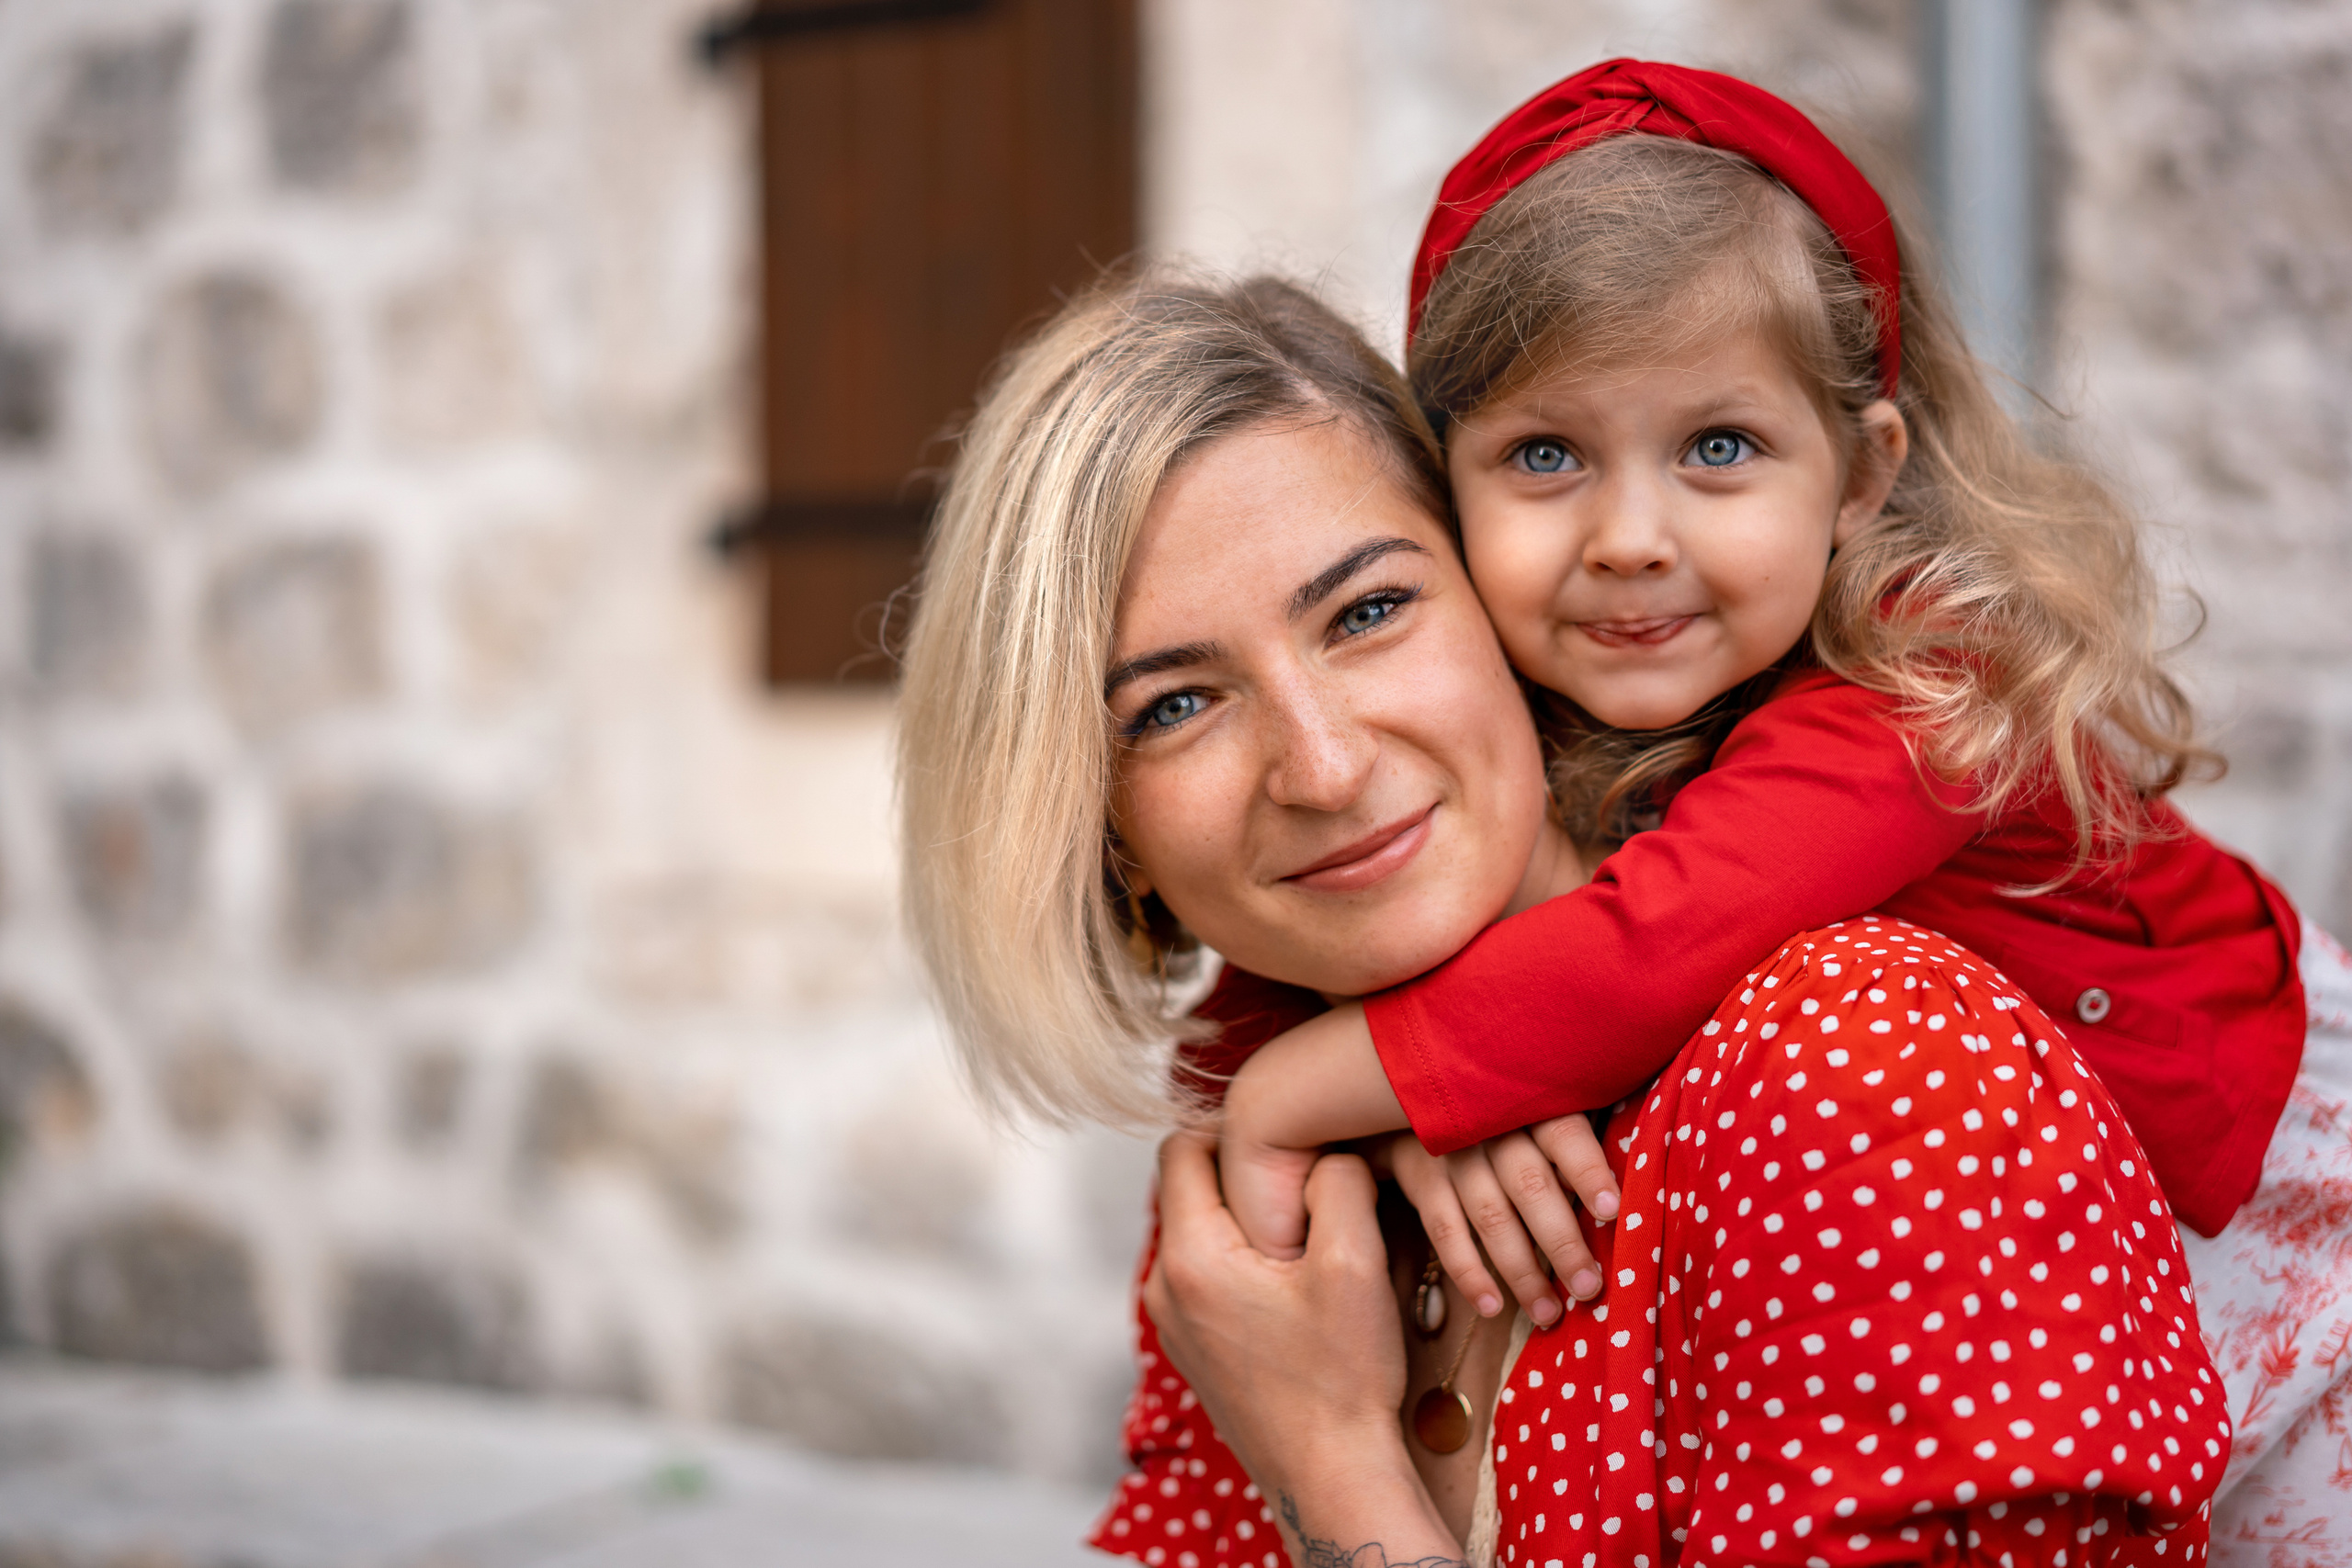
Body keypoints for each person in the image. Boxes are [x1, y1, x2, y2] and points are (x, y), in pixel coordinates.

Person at [894, 269, 2225, 1565]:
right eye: (1175, 706)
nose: (1326, 768)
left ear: (1499, 598)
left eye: (1368, 611)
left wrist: (1329, 1469)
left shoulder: (1851, 1059)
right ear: (1106, 830)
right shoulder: (1258, 1163)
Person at [1194, 63, 2352, 1546]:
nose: (1628, 539)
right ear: (1446, 491)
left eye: (1719, 449)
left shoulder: (1930, 687)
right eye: (1545, 455)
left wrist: (1302, 1106)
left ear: (1862, 475)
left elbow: (1645, 956)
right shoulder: (1517, 710)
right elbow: (1330, 970)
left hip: (2263, 1208)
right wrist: (1387, 1107)